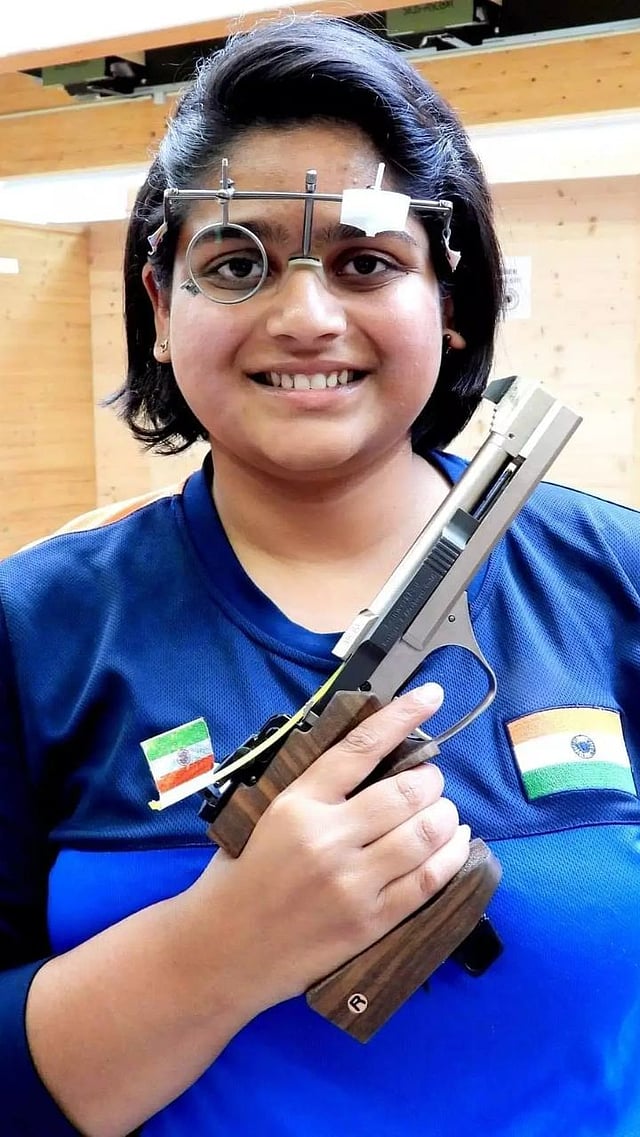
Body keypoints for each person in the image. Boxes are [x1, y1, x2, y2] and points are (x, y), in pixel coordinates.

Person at [1, 13, 639, 1137]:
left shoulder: (614, 576)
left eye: (367, 262)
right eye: (234, 264)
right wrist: (220, 947)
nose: (305, 317)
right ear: (160, 308)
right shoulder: (33, 628)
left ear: (450, 304)